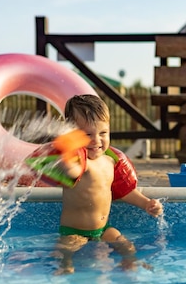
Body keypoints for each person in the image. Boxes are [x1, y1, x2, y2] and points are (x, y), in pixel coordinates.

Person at [29, 94, 163, 274]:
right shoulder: (81, 163)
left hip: (102, 230)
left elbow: (123, 191)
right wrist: (66, 154)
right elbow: (71, 172)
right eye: (88, 135)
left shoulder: (110, 161)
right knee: (65, 250)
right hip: (74, 231)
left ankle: (130, 263)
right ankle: (65, 266)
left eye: (103, 133)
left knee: (127, 246)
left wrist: (146, 203)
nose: (97, 140)